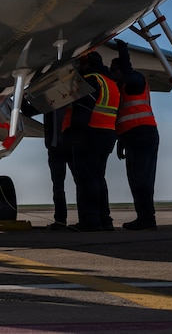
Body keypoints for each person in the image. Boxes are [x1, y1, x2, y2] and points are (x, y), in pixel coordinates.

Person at [65, 50, 120, 231]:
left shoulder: (90, 79)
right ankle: (104, 220)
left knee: (86, 180)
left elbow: (83, 109)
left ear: (86, 63)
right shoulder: (110, 82)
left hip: (89, 134)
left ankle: (90, 221)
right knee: (98, 178)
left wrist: (74, 135)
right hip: (107, 134)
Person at [109, 39, 160, 230]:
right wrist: (120, 142)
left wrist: (123, 51)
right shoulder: (123, 88)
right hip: (132, 137)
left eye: (114, 70)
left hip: (143, 134)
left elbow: (128, 73)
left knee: (142, 178)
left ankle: (147, 218)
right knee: (135, 179)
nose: (113, 75)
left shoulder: (136, 81)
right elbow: (124, 116)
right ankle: (143, 217)